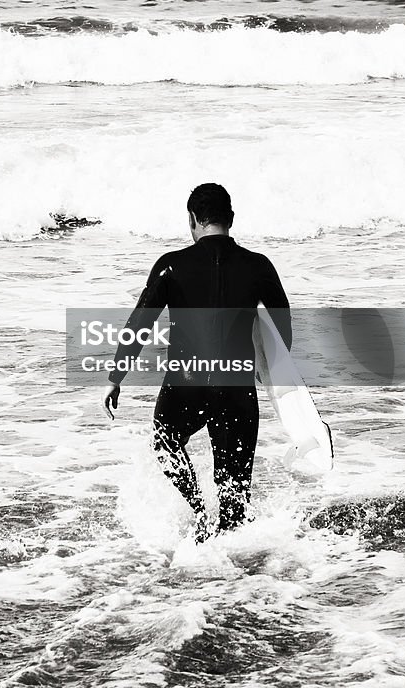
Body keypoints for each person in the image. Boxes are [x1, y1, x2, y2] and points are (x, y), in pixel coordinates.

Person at [101, 183, 292, 541]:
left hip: (185, 385)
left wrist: (116, 376)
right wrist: (274, 376)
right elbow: (282, 326)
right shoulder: (259, 266)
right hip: (236, 388)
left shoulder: (171, 265)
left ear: (192, 220)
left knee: (165, 440)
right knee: (235, 501)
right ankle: (239, 574)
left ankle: (200, 512)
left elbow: (139, 323)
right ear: (231, 219)